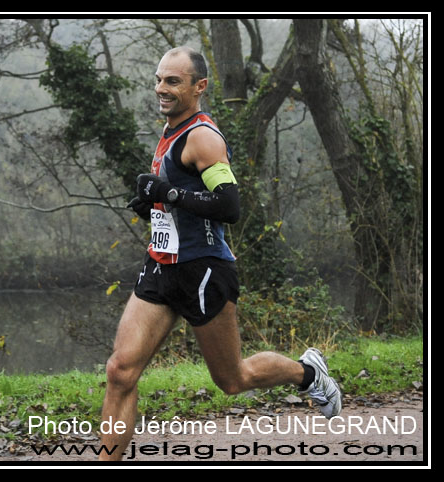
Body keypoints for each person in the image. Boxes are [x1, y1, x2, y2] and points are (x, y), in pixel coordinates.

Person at [98, 46, 341, 461]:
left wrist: (168, 193)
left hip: (203, 271)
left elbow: (229, 205)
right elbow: (183, 198)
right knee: (120, 371)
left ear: (200, 87)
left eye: (173, 81)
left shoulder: (202, 137)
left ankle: (307, 372)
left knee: (232, 379)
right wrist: (153, 204)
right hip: (162, 267)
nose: (161, 88)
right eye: (159, 79)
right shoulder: (170, 131)